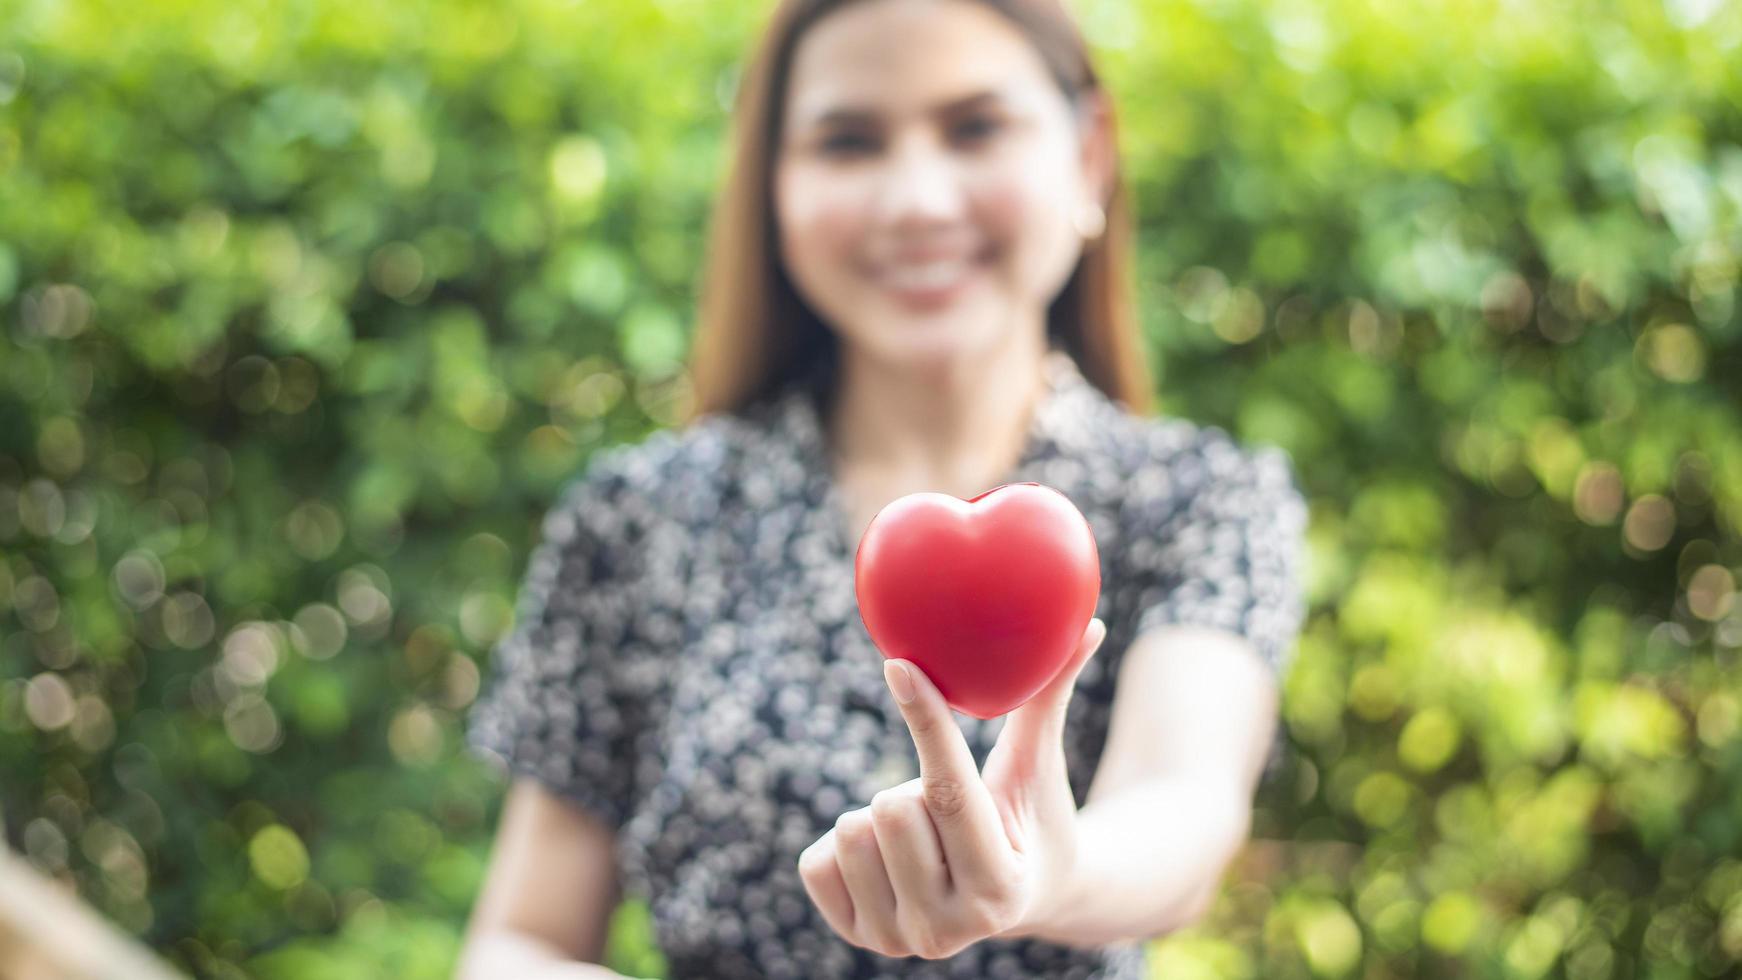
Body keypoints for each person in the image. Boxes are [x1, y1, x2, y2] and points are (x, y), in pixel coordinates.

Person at [457, 0, 1308, 977]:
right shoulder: (638, 518)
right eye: (848, 141)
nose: (914, 199)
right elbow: (519, 939)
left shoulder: (1199, 501)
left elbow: (1183, 813)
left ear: (1088, 154)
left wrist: (1051, 873)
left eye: (974, 127)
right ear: (772, 186)